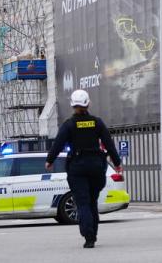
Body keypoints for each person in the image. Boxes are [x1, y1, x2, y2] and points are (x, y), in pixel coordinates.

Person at [46, 89, 122, 249]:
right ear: (88, 104)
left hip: (77, 168)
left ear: (72, 105)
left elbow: (57, 144)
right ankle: (92, 233)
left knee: (83, 202)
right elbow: (109, 144)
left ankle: (89, 236)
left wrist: (49, 160)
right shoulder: (97, 122)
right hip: (96, 167)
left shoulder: (69, 124)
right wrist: (117, 163)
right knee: (92, 201)